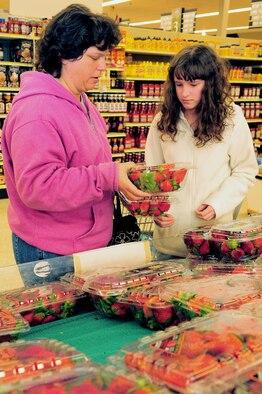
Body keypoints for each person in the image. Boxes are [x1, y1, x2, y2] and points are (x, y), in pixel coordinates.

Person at [2, 4, 148, 266]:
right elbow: (38, 187)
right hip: (51, 250)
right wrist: (107, 176)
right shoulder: (37, 111)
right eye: (95, 57)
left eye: (105, 56)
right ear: (64, 55)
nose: (103, 66)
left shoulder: (81, 100)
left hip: (83, 241)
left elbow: (90, 166)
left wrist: (123, 183)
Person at [145, 44, 258, 257]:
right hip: (170, 241)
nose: (184, 93)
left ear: (210, 84)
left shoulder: (231, 118)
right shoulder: (163, 120)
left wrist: (218, 203)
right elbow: (152, 176)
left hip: (213, 239)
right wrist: (157, 210)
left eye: (193, 84)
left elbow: (244, 171)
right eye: (178, 84)